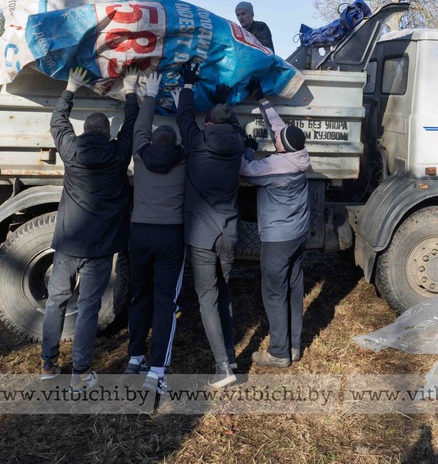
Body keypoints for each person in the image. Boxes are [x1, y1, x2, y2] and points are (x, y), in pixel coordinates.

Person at [41, 66, 139, 390]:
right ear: (107, 134)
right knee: (87, 309)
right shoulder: (117, 155)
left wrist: (70, 87)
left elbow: (57, 122)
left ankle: (48, 364)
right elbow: (132, 127)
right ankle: (80, 372)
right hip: (98, 250)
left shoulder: (71, 152)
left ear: (84, 133)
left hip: (67, 245)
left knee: (56, 301)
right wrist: (131, 89)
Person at [175, 61, 246, 388]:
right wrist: (227, 104)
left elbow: (182, 117)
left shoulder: (197, 143)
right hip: (228, 234)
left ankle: (224, 368)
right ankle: (229, 357)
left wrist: (188, 84)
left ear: (207, 123)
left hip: (202, 237)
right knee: (223, 293)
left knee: (207, 298)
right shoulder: (238, 147)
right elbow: (239, 130)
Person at [125, 72, 186, 397]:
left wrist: (149, 94)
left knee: (139, 296)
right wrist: (180, 104)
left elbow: (138, 128)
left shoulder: (140, 155)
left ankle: (135, 357)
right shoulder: (184, 160)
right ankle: (157, 371)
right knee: (166, 302)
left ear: (151, 142)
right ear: (174, 144)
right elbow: (190, 134)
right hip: (170, 237)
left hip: (140, 236)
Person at [239, 90, 311, 368]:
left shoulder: (274, 166)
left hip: (278, 239)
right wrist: (263, 102)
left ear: (282, 147)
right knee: (294, 289)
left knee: (274, 293)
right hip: (297, 235)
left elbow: (244, 170)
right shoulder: (300, 156)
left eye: (278, 141)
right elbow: (281, 131)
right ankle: (294, 346)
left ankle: (279, 353)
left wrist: (247, 148)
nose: (275, 138)